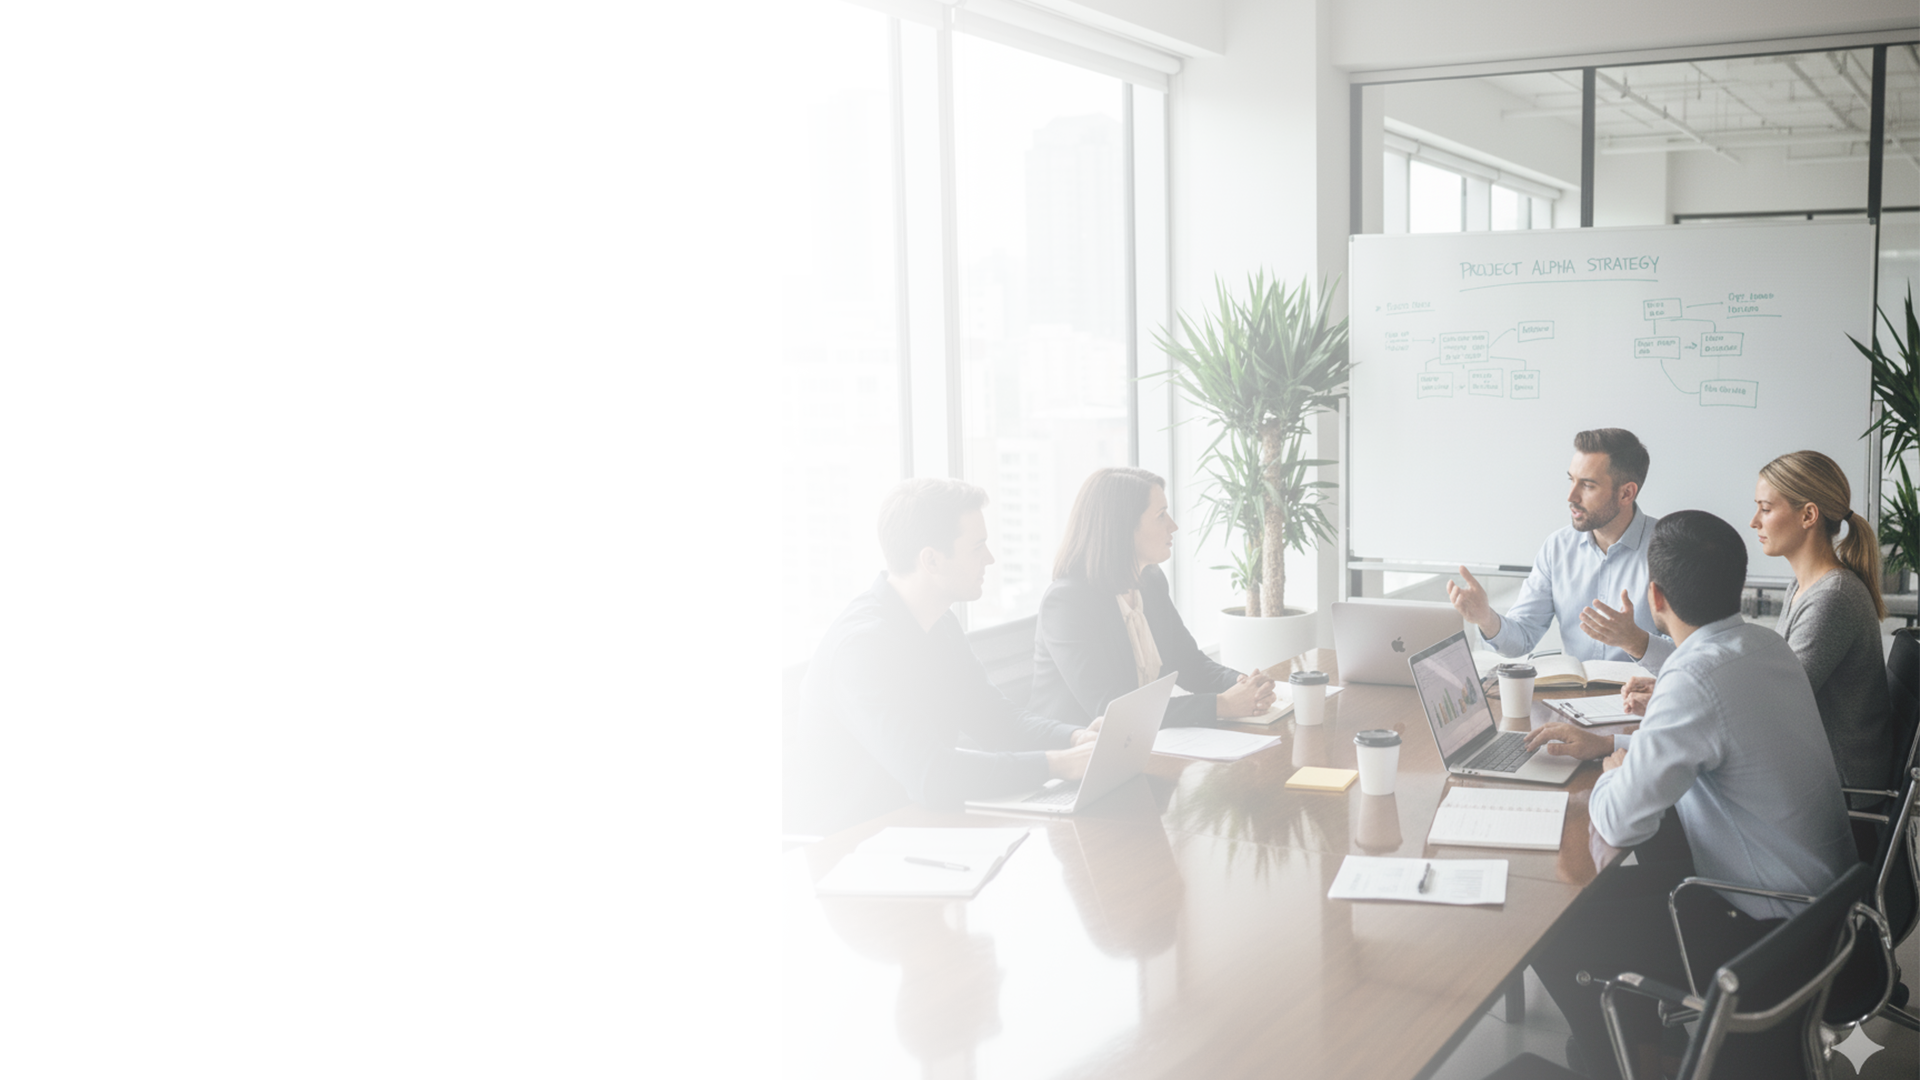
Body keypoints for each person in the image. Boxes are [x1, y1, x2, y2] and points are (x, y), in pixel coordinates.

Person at [1520, 511, 1856, 1079]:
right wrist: (1611, 743)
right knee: (1616, 891)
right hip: (1825, 909)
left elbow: (1619, 822)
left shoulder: (1693, 677)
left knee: (1559, 930)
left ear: (1656, 596)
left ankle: (1636, 1068)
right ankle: (1653, 1050)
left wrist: (1610, 763)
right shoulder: (1763, 645)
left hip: (1769, 935)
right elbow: (1709, 737)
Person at [793, 478, 1096, 837]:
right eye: (978, 547)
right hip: (854, 851)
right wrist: (1057, 765)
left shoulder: (939, 622)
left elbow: (994, 718)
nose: (991, 558)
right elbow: (931, 775)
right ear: (932, 560)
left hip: (917, 827)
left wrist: (1076, 739)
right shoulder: (862, 648)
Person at [1618, 451, 1892, 813]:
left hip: (1841, 796)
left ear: (1808, 515)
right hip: (1812, 771)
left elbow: (1776, 704)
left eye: (1765, 508)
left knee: (1672, 795)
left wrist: (1686, 702)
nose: (1753, 521)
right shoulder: (1805, 586)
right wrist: (1673, 692)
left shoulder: (1833, 597)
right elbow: (1764, 685)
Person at [1028, 467, 1276, 729]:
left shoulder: (1151, 582)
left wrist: (1243, 685)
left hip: (1138, 744)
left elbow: (1190, 663)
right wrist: (1222, 705)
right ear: (1123, 528)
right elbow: (1110, 708)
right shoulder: (1067, 602)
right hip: (1078, 756)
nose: (1173, 525)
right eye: (1161, 516)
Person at [1446, 428, 1675, 674]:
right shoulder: (1557, 548)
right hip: (1574, 703)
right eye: (1571, 480)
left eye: (1587, 485)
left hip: (1647, 703)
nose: (1571, 496)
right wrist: (1486, 618)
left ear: (1626, 493)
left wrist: (1636, 641)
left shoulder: (1672, 551)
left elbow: (1694, 656)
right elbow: (1523, 636)